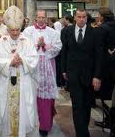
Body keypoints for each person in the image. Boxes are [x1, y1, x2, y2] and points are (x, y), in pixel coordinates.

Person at [0, 6, 39, 137]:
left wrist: (22, 60)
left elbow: (34, 58)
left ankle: (21, 133)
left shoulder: (27, 41)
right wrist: (10, 62)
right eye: (12, 30)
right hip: (7, 81)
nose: (14, 33)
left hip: (23, 80)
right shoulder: (2, 41)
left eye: (17, 30)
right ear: (7, 29)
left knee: (24, 106)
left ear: (21, 28)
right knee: (7, 108)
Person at [61, 8, 102, 137]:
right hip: (73, 75)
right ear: (75, 17)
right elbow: (64, 52)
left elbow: (99, 56)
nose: (81, 19)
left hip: (89, 76)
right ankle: (82, 134)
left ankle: (83, 130)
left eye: (83, 17)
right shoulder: (66, 31)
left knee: (86, 106)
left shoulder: (94, 32)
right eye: (79, 17)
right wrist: (63, 70)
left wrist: (97, 76)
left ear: (86, 18)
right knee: (77, 105)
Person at [23, 10, 62, 136]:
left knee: (46, 97)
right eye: (39, 17)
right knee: (30, 94)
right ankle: (30, 123)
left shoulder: (53, 32)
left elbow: (57, 48)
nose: (41, 19)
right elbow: (23, 47)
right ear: (35, 18)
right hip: (32, 67)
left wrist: (44, 45)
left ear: (46, 18)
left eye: (43, 17)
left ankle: (45, 126)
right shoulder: (28, 31)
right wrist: (36, 45)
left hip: (47, 67)